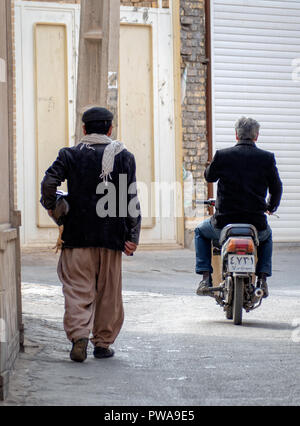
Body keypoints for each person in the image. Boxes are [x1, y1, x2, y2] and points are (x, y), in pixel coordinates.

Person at [40, 107, 141, 363]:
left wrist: (53, 207)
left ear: (84, 129)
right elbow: (129, 198)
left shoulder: (70, 155)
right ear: (110, 129)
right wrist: (132, 235)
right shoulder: (123, 156)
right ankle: (103, 344)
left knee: (77, 290)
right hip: (112, 238)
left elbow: (49, 184)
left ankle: (79, 337)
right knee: (108, 293)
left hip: (77, 236)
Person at [195, 117, 282, 298]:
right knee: (267, 238)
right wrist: (271, 207)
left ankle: (205, 277)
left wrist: (210, 166)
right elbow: (277, 188)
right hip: (255, 225)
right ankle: (263, 280)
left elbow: (209, 177)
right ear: (256, 136)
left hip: (223, 224)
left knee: (200, 231)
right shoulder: (266, 158)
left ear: (236, 134)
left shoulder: (223, 155)